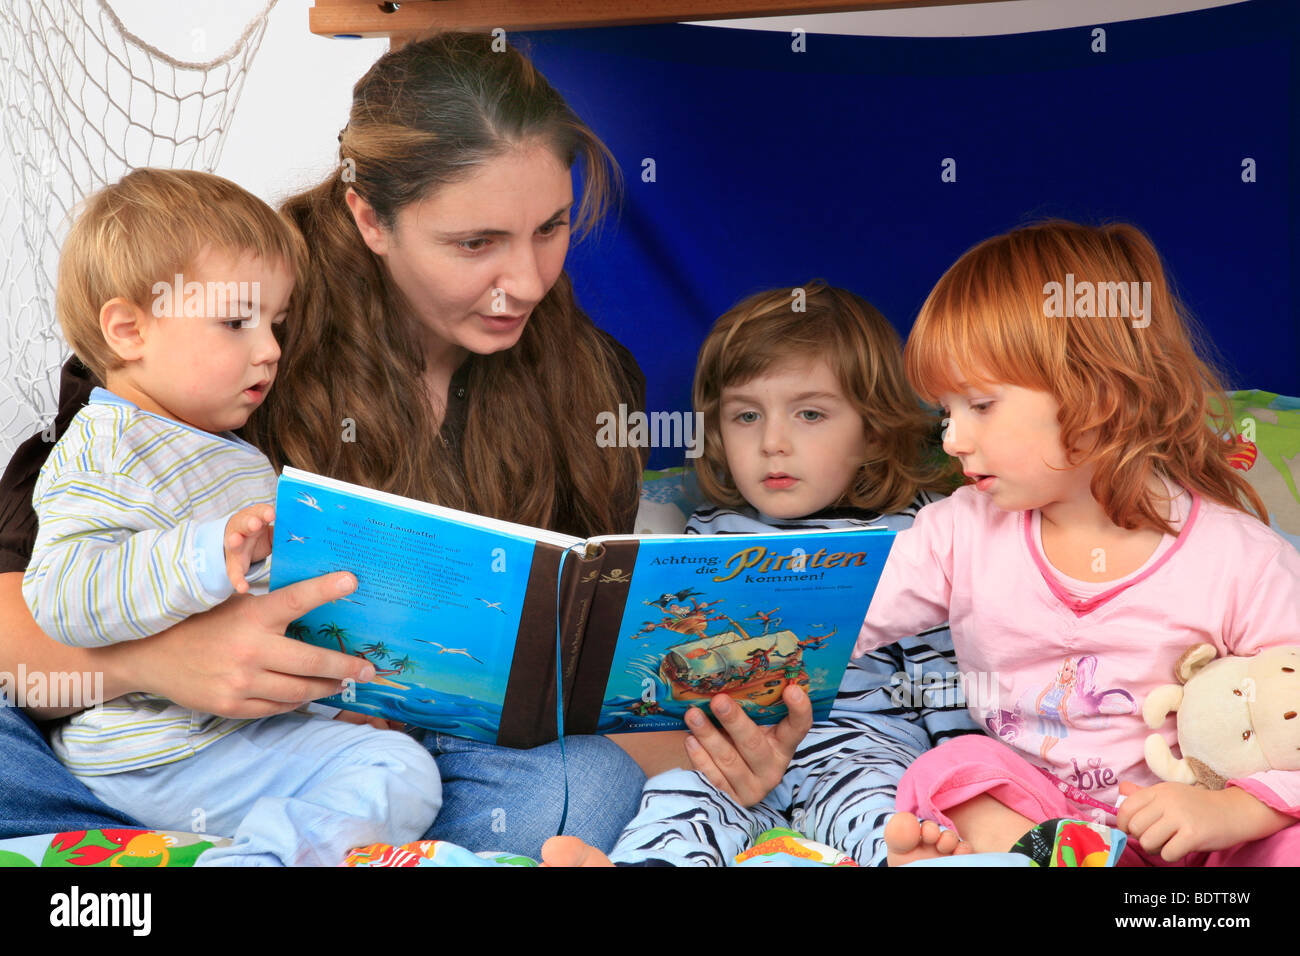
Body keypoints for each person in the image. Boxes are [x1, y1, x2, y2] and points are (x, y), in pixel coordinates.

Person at [0, 32, 672, 857]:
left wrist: (715, 750)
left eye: (553, 227)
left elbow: (583, 690)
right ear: (369, 215)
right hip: (136, 736)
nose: (528, 281)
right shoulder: (233, 316)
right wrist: (164, 661)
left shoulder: (592, 380)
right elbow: (20, 614)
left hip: (367, 762)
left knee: (588, 782)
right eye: (476, 243)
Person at [20, 168, 441, 866]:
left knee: (395, 758)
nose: (271, 348)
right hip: (155, 755)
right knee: (396, 775)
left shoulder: (225, 451)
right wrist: (202, 554)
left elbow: (261, 624)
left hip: (224, 737)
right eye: (236, 320)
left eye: (274, 323)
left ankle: (254, 846)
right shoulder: (105, 448)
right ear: (129, 329)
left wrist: (335, 703)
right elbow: (64, 598)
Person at [874, 221, 1300, 866]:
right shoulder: (958, 532)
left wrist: (1233, 810)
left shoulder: (1239, 558)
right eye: (946, 412)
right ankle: (1025, 855)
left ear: (1095, 397)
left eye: (979, 406)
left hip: (1198, 823)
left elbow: (1291, 713)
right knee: (945, 770)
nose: (952, 439)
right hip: (1045, 818)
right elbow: (842, 610)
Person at [543, 281, 977, 867]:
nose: (773, 443)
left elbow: (946, 675)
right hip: (726, 753)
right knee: (677, 801)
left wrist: (970, 778)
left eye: (810, 414)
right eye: (747, 415)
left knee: (882, 814)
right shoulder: (706, 533)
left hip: (858, 750)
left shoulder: (920, 533)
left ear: (873, 430)